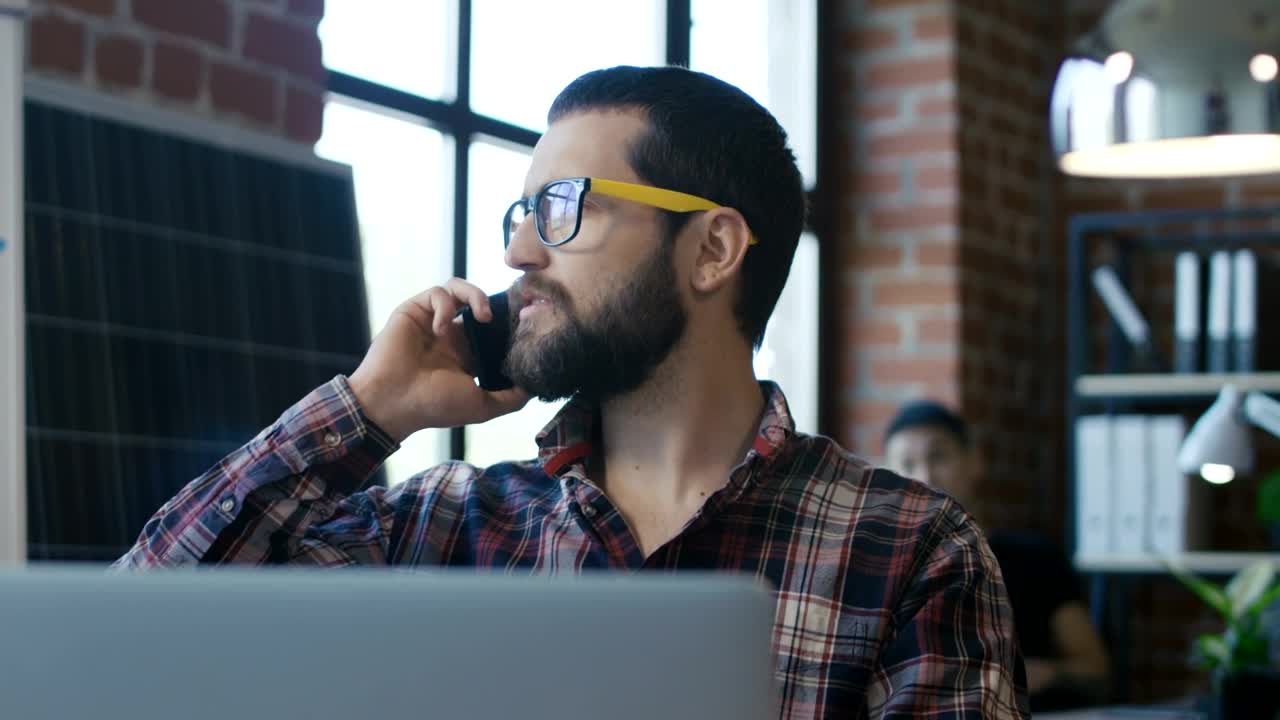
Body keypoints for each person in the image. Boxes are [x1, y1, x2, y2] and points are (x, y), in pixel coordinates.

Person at [116, 65, 1029, 718]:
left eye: (564, 206)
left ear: (711, 250)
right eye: (522, 213)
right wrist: (370, 408)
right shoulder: (446, 526)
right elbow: (136, 634)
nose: (516, 254)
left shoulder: (913, 555)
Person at [883, 400, 1111, 712]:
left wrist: (1044, 673)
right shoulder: (882, 573)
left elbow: (1095, 669)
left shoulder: (1034, 559)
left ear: (974, 461)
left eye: (938, 456)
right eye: (907, 464)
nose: (925, 475)